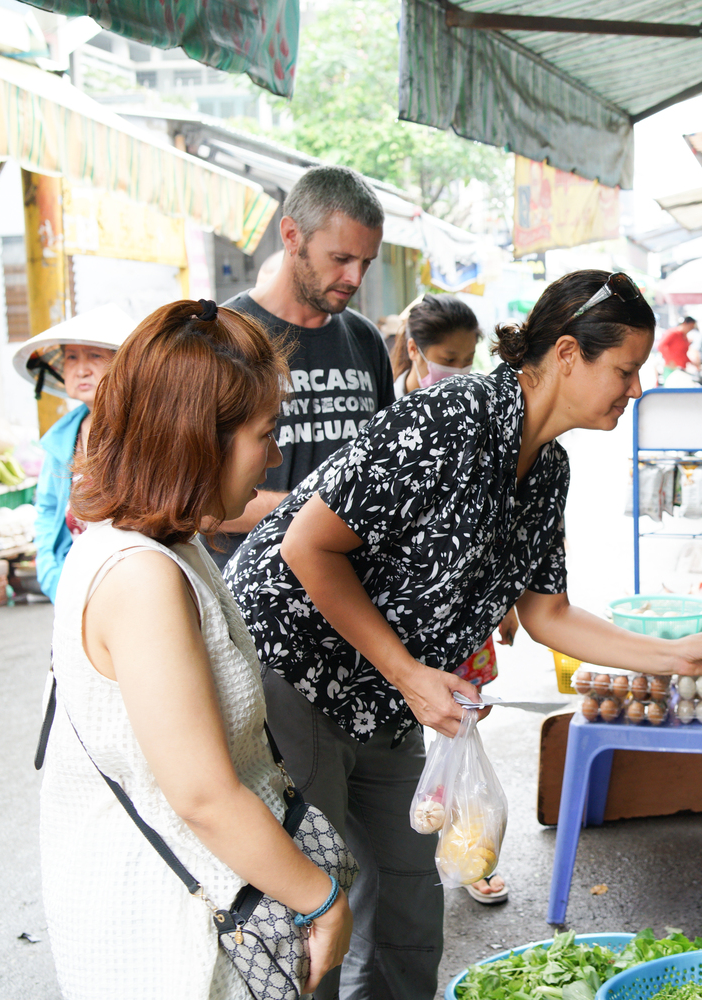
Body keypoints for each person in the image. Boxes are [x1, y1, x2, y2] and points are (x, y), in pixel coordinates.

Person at [225, 270, 702, 1000]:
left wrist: (674, 656)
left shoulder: (547, 469)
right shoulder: (452, 416)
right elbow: (306, 547)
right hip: (294, 670)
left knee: (412, 895)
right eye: (625, 371)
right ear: (567, 354)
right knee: (317, 899)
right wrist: (410, 671)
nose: (634, 391)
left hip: (388, 692)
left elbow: (547, 614)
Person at [39, 300, 351, 999]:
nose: (273, 456)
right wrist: (322, 899)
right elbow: (203, 793)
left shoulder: (166, 542)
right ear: (196, 441)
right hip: (162, 933)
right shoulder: (141, 576)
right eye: (265, 435)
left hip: (200, 898)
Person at [389, 292, 518, 903]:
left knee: (460, 724)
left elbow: (491, 521)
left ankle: (469, 850)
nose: (458, 370)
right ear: (415, 351)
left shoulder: (476, 413)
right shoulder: (390, 417)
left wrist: (509, 598)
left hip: (463, 614)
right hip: (400, 617)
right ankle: (415, 848)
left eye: (469, 359)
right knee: (404, 732)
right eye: (447, 358)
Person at [211, 165, 396, 570]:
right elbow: (196, 500)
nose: (354, 277)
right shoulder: (224, 338)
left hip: (352, 595)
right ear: (292, 235)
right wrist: (324, 513)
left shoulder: (366, 340)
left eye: (366, 262)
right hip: (252, 596)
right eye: (341, 258)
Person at [9, 304, 136, 602]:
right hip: (74, 583)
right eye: (71, 357)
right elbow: (48, 509)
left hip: (132, 582)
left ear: (124, 365)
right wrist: (52, 576)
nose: (81, 368)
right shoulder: (61, 438)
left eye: (94, 356)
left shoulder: (143, 430)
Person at [389, 293, 481, 398]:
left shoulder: (474, 407)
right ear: (413, 349)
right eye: (449, 359)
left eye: (468, 359)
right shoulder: (387, 406)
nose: (459, 371)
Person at [656, 315, 696, 380]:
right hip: (671, 368)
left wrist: (692, 363)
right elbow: (661, 345)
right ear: (685, 324)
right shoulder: (673, 333)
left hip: (681, 369)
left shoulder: (685, 337)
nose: (690, 330)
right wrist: (669, 360)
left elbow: (683, 353)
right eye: (690, 327)